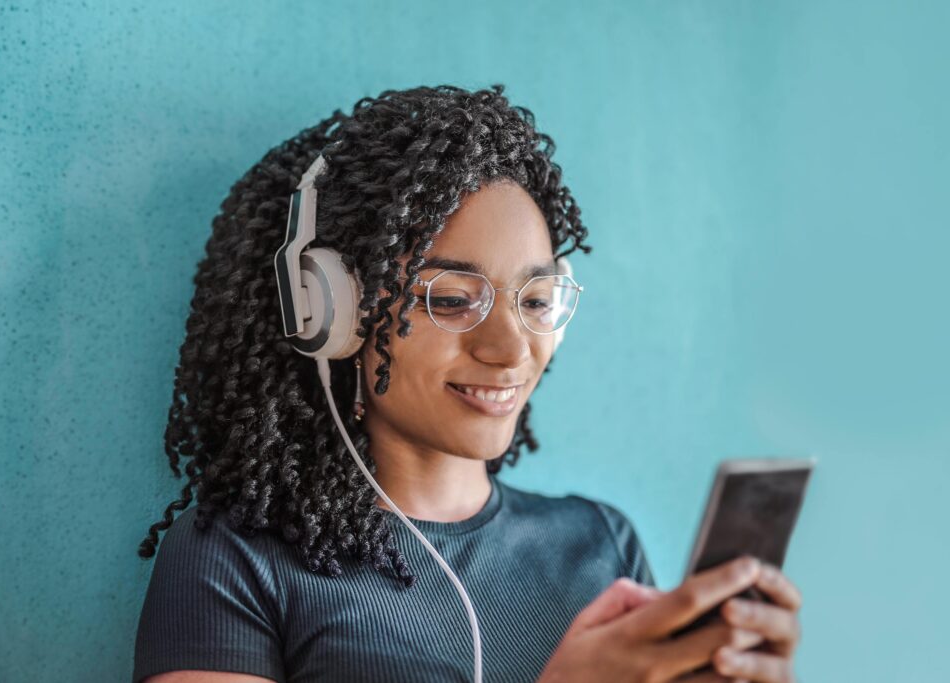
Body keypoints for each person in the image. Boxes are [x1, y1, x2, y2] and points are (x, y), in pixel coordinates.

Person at [132, 84, 802, 683]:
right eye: (452, 299)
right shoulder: (237, 558)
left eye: (536, 300)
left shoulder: (601, 544)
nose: (510, 349)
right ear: (329, 311)